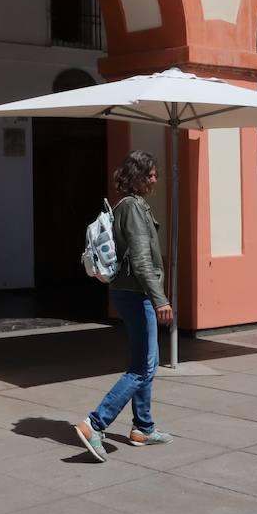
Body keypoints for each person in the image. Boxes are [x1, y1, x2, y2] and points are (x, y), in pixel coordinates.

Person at [74, 150, 173, 461]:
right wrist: (161, 300)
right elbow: (142, 261)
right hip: (137, 293)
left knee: (145, 361)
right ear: (139, 177)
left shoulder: (131, 206)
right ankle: (96, 423)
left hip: (131, 291)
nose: (155, 178)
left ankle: (143, 427)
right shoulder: (132, 208)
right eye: (151, 173)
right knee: (143, 367)